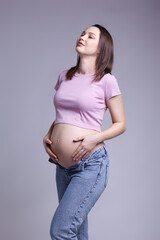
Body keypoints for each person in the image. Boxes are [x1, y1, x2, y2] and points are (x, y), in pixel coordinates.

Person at [43, 24, 126, 240]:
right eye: (82, 33)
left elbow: (120, 123)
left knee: (61, 231)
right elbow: (63, 115)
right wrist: (49, 135)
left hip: (90, 165)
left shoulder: (107, 80)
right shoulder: (64, 76)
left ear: (101, 48)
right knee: (77, 232)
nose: (83, 37)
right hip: (62, 167)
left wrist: (94, 138)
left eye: (91, 36)